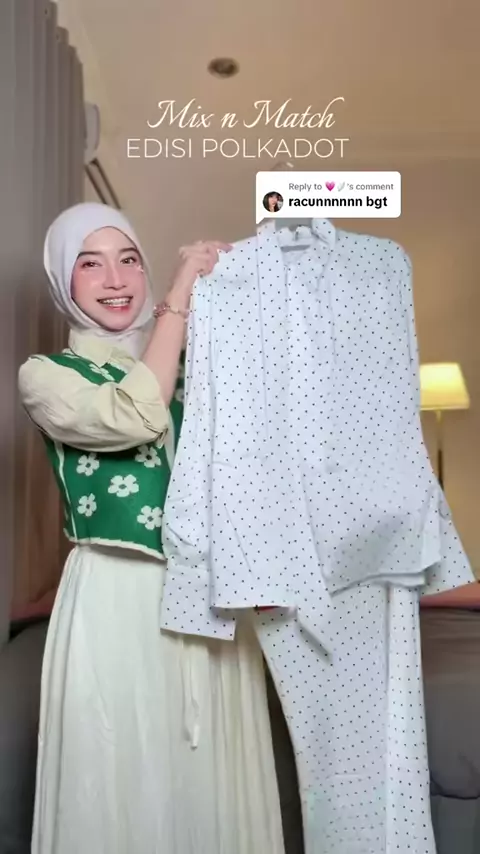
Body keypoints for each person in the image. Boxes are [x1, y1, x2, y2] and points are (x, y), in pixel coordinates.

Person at [18, 202, 284, 854]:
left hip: (208, 594)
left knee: (213, 776)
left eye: (129, 259)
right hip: (116, 596)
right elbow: (138, 413)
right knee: (121, 768)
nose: (115, 279)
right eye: (91, 264)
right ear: (63, 280)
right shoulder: (47, 376)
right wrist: (177, 300)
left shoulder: (198, 363)